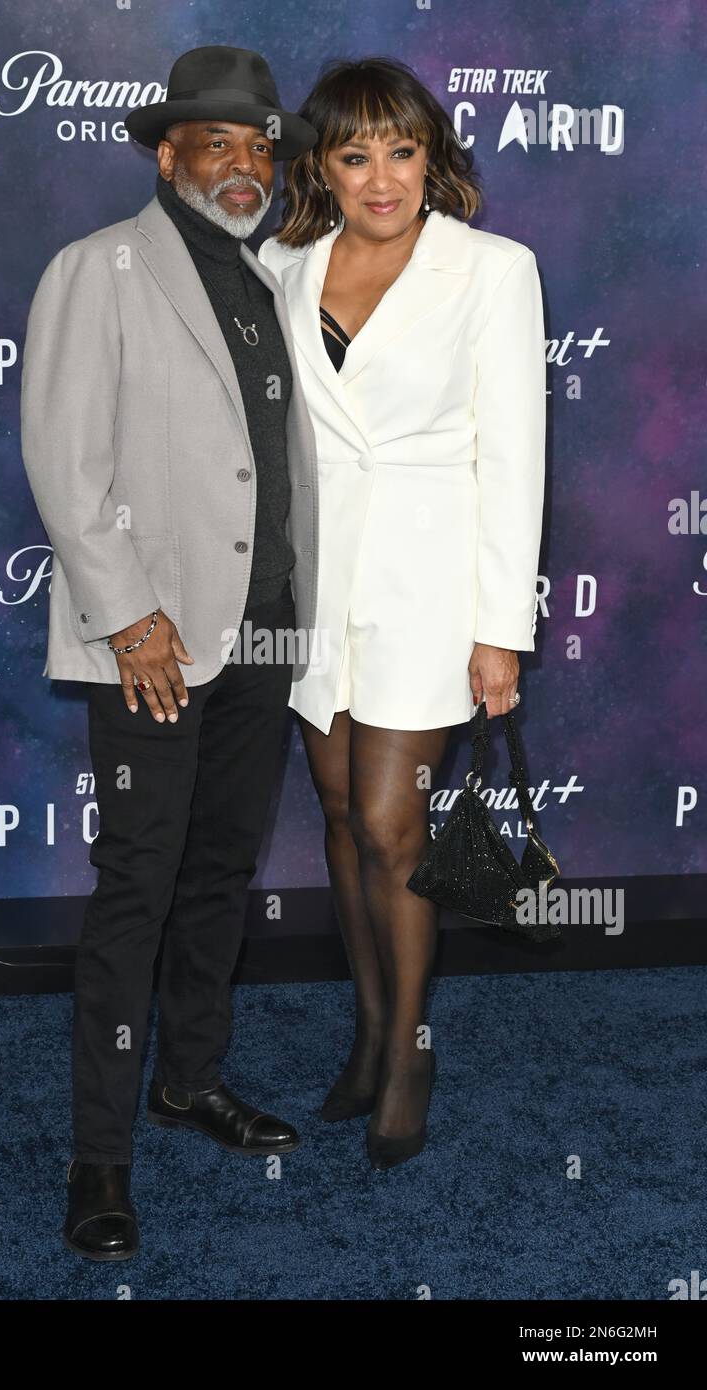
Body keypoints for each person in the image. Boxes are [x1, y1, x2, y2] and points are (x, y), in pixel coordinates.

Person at [20, 46, 319, 1259]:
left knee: (218, 874)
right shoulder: (101, 268)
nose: (243, 165)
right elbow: (62, 455)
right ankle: (101, 1156)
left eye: (259, 148)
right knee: (138, 889)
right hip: (152, 638)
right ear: (167, 154)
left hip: (262, 632)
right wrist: (127, 613)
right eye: (218, 145)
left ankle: (189, 1079)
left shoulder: (271, 275)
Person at [257, 57, 547, 1170]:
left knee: (390, 823)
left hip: (433, 584)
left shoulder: (494, 270)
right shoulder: (285, 264)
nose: (384, 177)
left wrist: (499, 628)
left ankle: (413, 1046)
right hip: (314, 586)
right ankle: (371, 1023)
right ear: (322, 166)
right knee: (336, 813)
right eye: (356, 153)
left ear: (434, 154)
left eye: (404, 149)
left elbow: (513, 455)